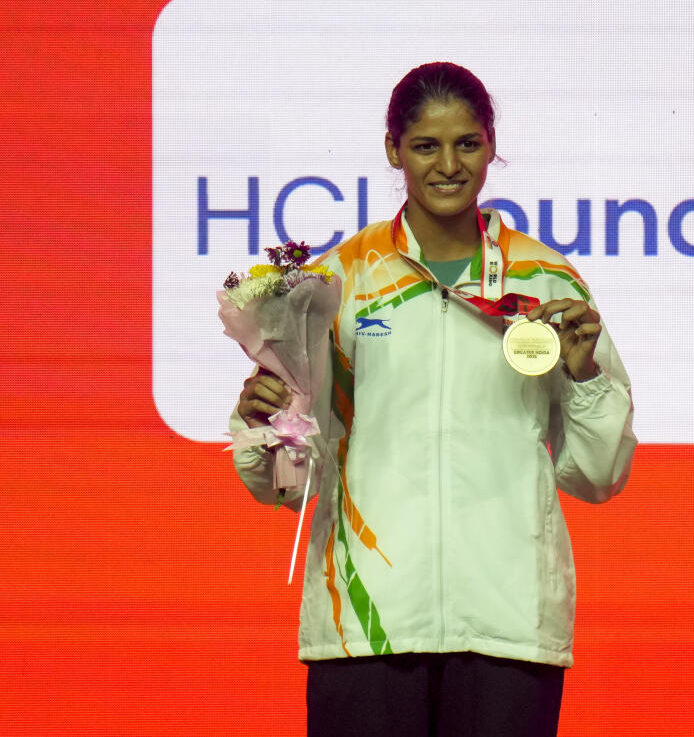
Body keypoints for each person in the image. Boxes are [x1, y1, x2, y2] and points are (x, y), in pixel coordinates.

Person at [232, 62, 637, 736]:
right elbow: (283, 484)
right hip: (366, 623)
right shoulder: (338, 281)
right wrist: (266, 423)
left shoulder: (545, 280)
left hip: (508, 621)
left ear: (490, 145)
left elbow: (598, 475)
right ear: (394, 149)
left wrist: (587, 376)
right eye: (426, 146)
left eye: (467, 144)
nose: (448, 165)